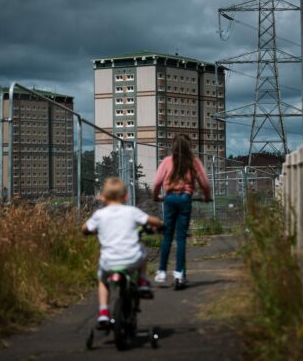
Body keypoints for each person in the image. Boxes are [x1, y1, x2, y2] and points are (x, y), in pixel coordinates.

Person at [82, 177, 163, 326]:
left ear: (102, 197)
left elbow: (85, 228)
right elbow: (152, 221)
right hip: (132, 260)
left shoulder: (99, 215)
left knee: (102, 281)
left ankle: (104, 312)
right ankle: (143, 280)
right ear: (126, 196)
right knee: (142, 250)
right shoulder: (131, 211)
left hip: (109, 262)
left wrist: (88, 230)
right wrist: (160, 224)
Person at [152, 133, 211, 287]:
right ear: (189, 146)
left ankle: (162, 272)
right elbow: (204, 182)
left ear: (173, 146)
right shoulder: (194, 162)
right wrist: (206, 196)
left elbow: (157, 182)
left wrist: (156, 196)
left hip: (169, 198)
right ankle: (179, 273)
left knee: (167, 236)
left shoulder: (167, 161)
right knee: (181, 238)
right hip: (185, 198)